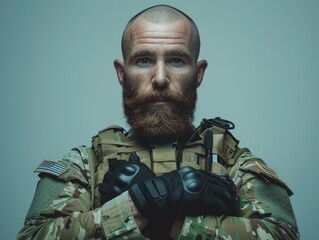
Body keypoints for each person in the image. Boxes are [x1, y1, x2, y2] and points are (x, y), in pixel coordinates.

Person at [18, 4, 300, 240]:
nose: (161, 78)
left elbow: (282, 234)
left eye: (176, 60)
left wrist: (169, 220)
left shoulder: (234, 162)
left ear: (198, 73)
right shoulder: (86, 164)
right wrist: (143, 203)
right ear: (121, 72)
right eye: (143, 60)